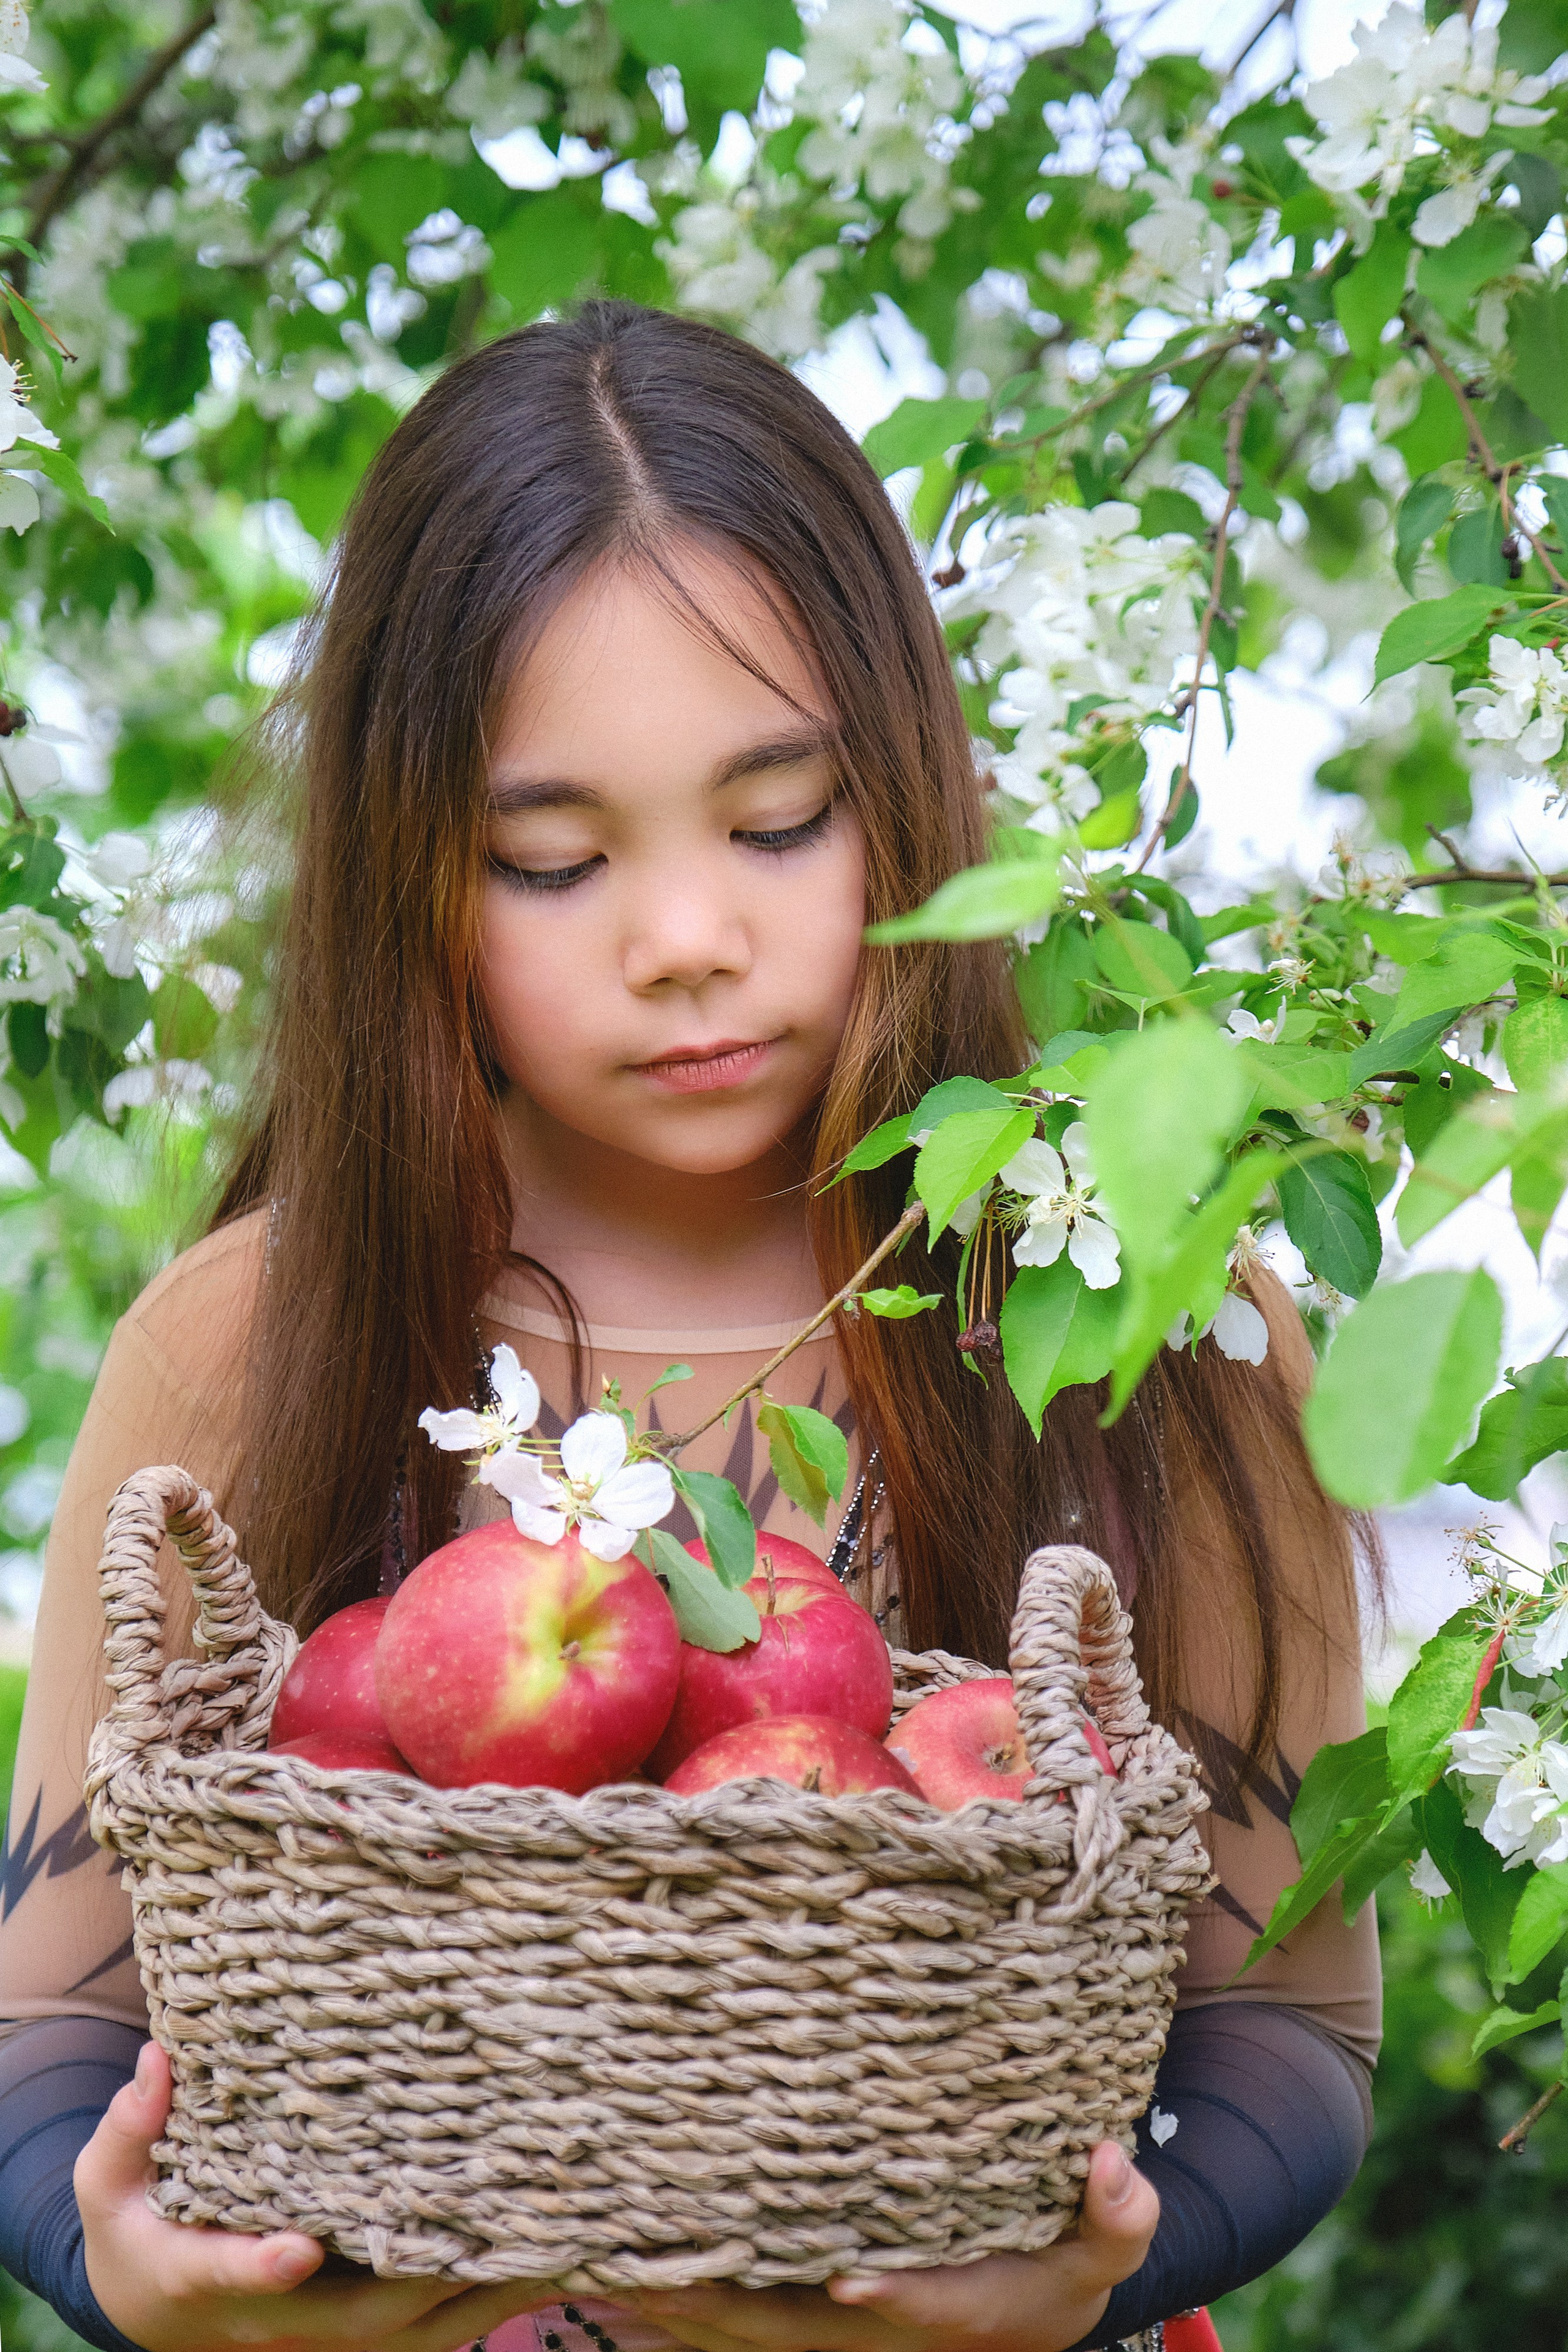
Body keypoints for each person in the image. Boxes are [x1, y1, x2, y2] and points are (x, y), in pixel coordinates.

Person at [0, 300, 1378, 2352]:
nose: (687, 942)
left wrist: (1087, 2271)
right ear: (414, 883)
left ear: (905, 785)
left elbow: (1289, 2018)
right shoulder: (259, 1342)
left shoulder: (1137, 1309)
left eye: (778, 820)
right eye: (550, 861)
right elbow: (49, 2022)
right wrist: (126, 2271)